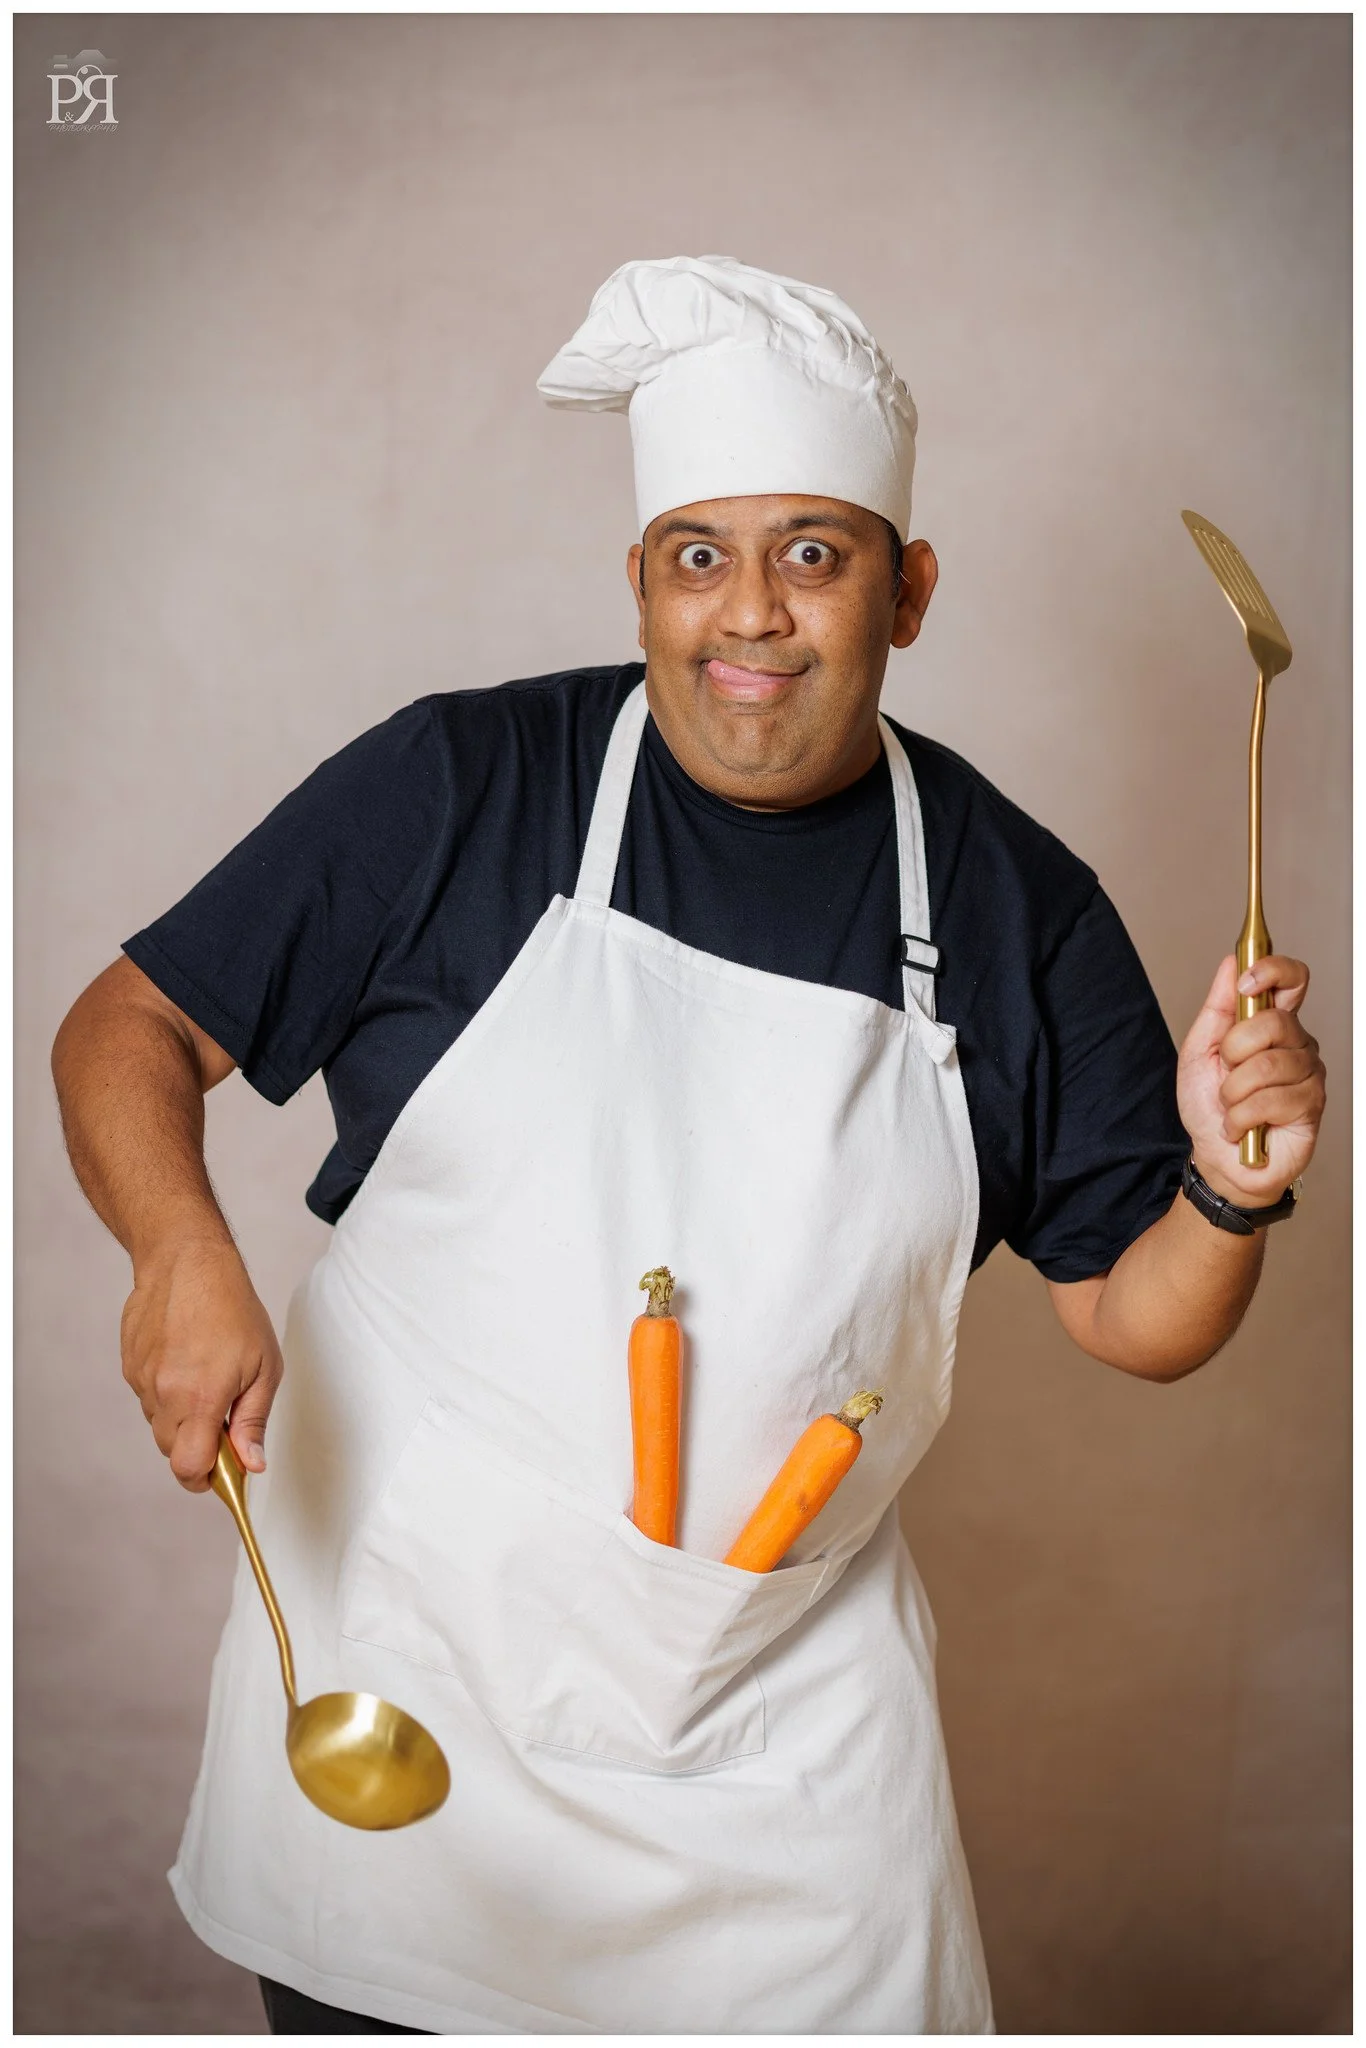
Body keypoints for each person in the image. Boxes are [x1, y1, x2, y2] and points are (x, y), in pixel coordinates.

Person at [51, 255, 1326, 2036]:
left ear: (909, 589)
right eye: (696, 556)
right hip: (416, 1697)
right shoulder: (462, 785)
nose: (750, 614)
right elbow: (130, 1026)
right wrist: (180, 1251)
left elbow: (1137, 1311)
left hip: (780, 1756)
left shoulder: (1014, 906)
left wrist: (1231, 1182)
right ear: (639, 581)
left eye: (813, 553)